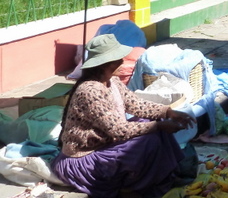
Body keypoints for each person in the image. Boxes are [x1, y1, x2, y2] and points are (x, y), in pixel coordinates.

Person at [53, 35, 196, 198]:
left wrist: (168, 112)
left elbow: (136, 105)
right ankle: (135, 186)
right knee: (150, 140)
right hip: (84, 158)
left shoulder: (112, 82)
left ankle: (168, 173)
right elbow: (118, 130)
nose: (122, 63)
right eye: (117, 60)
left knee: (153, 121)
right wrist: (159, 126)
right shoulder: (89, 91)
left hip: (104, 144)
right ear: (104, 64)